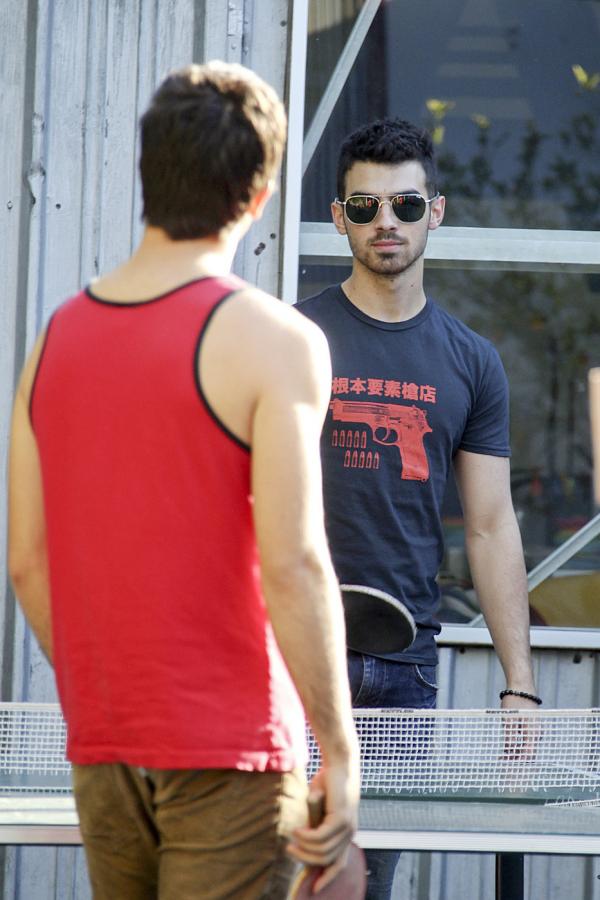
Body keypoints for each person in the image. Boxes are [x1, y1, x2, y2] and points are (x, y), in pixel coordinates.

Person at [8, 62, 360, 900]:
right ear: (260, 196)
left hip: (106, 747)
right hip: (234, 752)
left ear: (147, 174)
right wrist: (340, 754)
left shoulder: (55, 339)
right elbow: (295, 564)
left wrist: (112, 698)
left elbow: (26, 562)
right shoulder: (278, 342)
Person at [297, 117, 539, 899]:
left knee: (364, 889)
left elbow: (491, 526)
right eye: (363, 207)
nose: (386, 223)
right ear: (338, 218)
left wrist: (520, 682)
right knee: (278, 879)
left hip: (406, 672)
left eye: (404, 205)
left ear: (436, 211)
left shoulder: (472, 361)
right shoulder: (292, 337)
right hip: (295, 659)